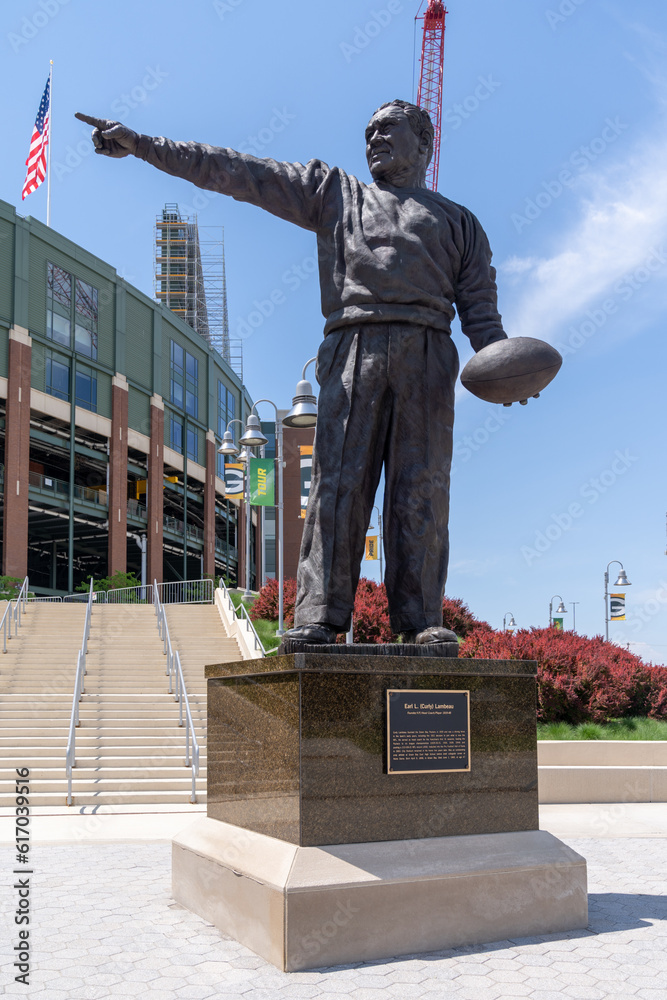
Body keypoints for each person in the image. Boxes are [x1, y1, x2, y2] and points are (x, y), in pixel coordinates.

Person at [76, 100, 508, 644]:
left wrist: (505, 368)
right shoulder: (334, 192)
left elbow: (482, 313)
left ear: (424, 144)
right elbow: (238, 172)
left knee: (422, 489)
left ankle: (420, 621)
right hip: (352, 345)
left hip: (429, 354)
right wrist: (144, 146)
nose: (373, 138)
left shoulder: (459, 223)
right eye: (368, 130)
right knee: (337, 488)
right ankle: (320, 618)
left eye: (387, 129)